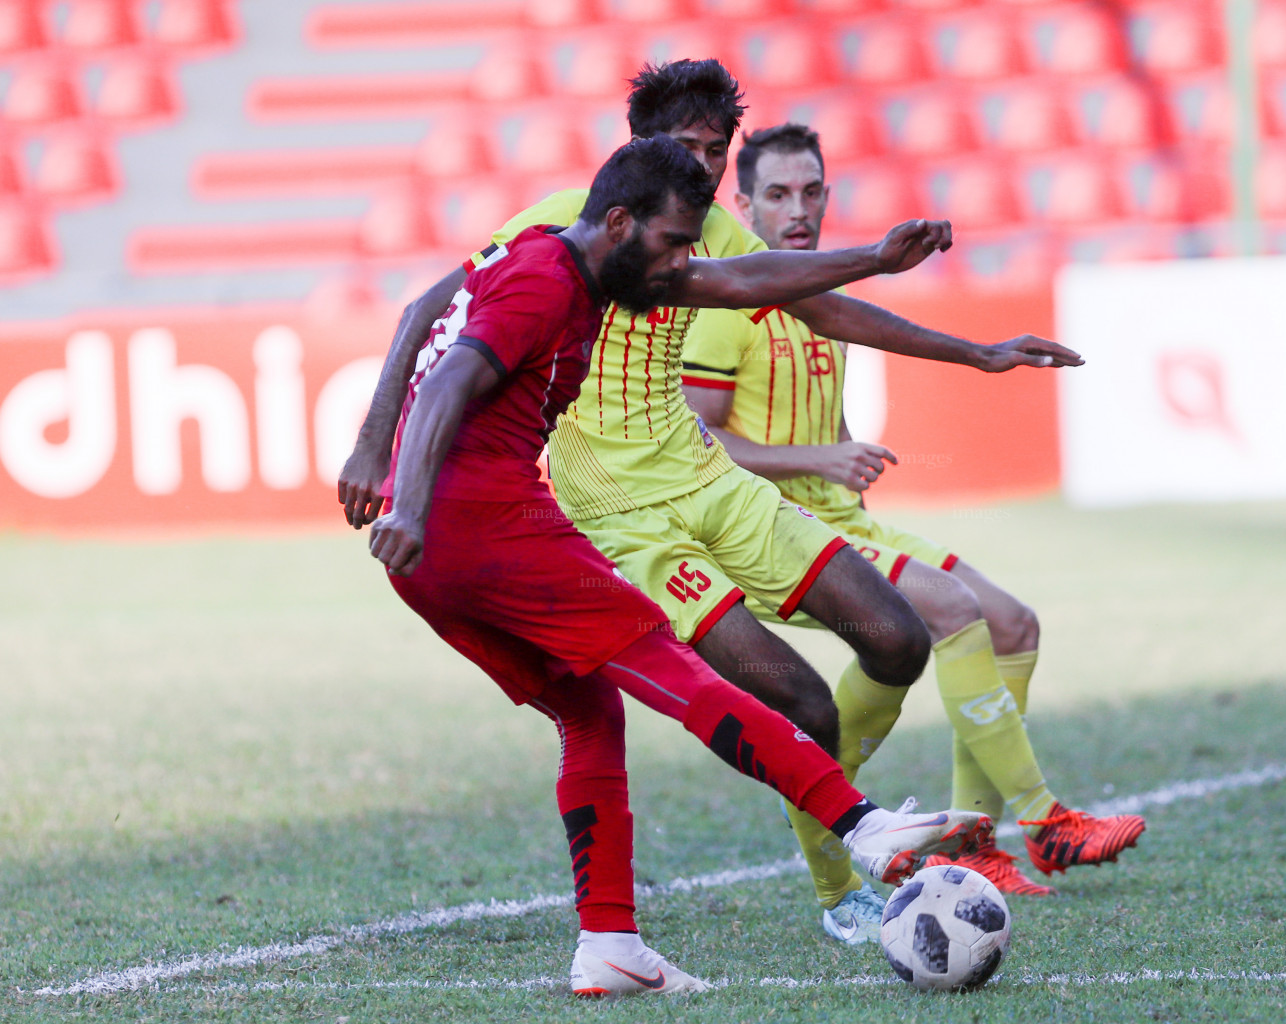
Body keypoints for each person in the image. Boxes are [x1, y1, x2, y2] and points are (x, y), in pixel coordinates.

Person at [339, 59, 1077, 945]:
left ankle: (854, 819)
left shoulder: (701, 232)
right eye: (683, 150)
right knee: (795, 700)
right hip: (620, 518)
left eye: (714, 153)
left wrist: (969, 348)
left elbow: (808, 304)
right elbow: (429, 314)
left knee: (896, 636)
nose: (701, 171)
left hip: (711, 483)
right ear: (633, 162)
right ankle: (845, 880)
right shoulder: (566, 231)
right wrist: (378, 447)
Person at [683, 124, 1145, 936]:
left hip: (840, 520)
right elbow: (698, 440)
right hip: (771, 531)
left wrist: (984, 355)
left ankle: (973, 844)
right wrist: (818, 457)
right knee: (948, 614)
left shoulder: (806, 299)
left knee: (1009, 622)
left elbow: (851, 349)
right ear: (741, 202)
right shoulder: (727, 306)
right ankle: (1041, 819)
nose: (799, 209)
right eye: (778, 195)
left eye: (812, 191)